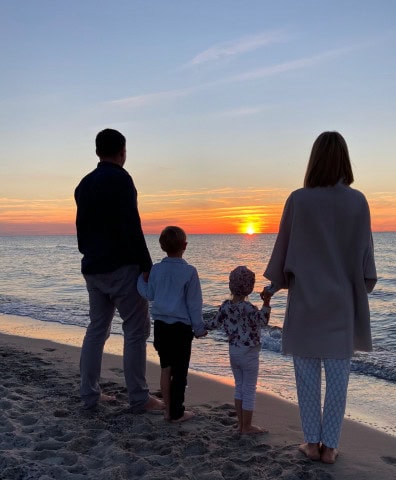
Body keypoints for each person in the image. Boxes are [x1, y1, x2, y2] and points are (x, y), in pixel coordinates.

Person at [262, 131, 377, 463]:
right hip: (341, 305)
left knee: (307, 375)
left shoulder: (298, 200)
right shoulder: (358, 201)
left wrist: (275, 286)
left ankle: (311, 443)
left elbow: (282, 257)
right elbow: (366, 265)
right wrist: (358, 287)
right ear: (345, 160)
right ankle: (331, 447)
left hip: (306, 302)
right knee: (339, 379)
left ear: (313, 160)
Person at [75, 128, 164, 413]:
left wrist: (90, 254)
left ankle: (89, 394)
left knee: (96, 329)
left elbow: (81, 231)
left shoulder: (84, 184)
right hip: (121, 266)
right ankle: (139, 397)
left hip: (93, 266)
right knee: (136, 330)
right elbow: (131, 226)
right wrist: (147, 265)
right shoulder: (122, 179)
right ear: (122, 151)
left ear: (97, 151)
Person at [137, 226, 207, 423]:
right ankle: (176, 413)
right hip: (181, 329)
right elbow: (194, 304)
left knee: (166, 368)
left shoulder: (156, 270)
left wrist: (140, 281)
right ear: (185, 246)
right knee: (180, 373)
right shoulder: (189, 272)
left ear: (161, 246)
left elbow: (149, 294)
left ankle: (168, 410)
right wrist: (199, 328)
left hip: (161, 327)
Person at [206, 266, 271, 434]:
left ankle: (240, 424)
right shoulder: (249, 308)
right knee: (249, 388)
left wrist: (199, 328)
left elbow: (214, 323)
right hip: (249, 353)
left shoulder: (225, 306)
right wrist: (266, 302)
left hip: (233, 352)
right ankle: (247, 427)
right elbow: (263, 321)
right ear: (250, 288)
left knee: (239, 386)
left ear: (230, 285)